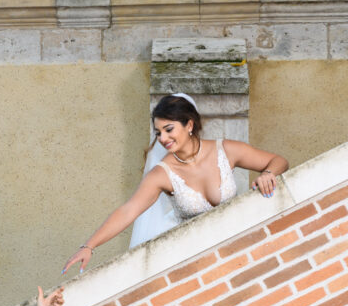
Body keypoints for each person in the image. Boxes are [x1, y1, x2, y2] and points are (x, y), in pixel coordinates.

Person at [62, 93, 289, 274]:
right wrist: (88, 246)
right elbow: (128, 211)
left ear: (189, 125)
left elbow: (278, 161)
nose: (162, 139)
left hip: (237, 250)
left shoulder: (226, 150)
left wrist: (268, 174)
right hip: (196, 264)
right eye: (158, 132)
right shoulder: (162, 174)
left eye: (168, 129)